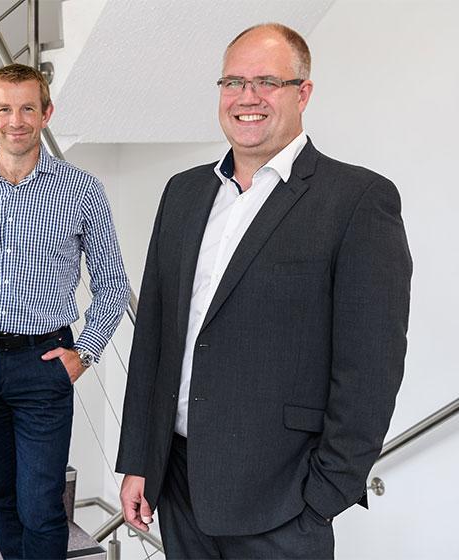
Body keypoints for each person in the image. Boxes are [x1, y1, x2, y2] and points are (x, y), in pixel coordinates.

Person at [116, 23, 412, 559]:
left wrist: (325, 494)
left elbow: (371, 364)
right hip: (178, 483)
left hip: (283, 499)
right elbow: (155, 334)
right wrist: (139, 456)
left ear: (303, 92)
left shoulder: (357, 199)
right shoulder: (183, 192)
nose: (246, 97)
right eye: (232, 82)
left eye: (266, 82)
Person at [0, 63, 130, 559]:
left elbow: (113, 286)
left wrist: (83, 353)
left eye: (28, 107)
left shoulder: (82, 190)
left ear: (47, 113)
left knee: (42, 505)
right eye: (4, 108)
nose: (16, 120)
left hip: (43, 363)